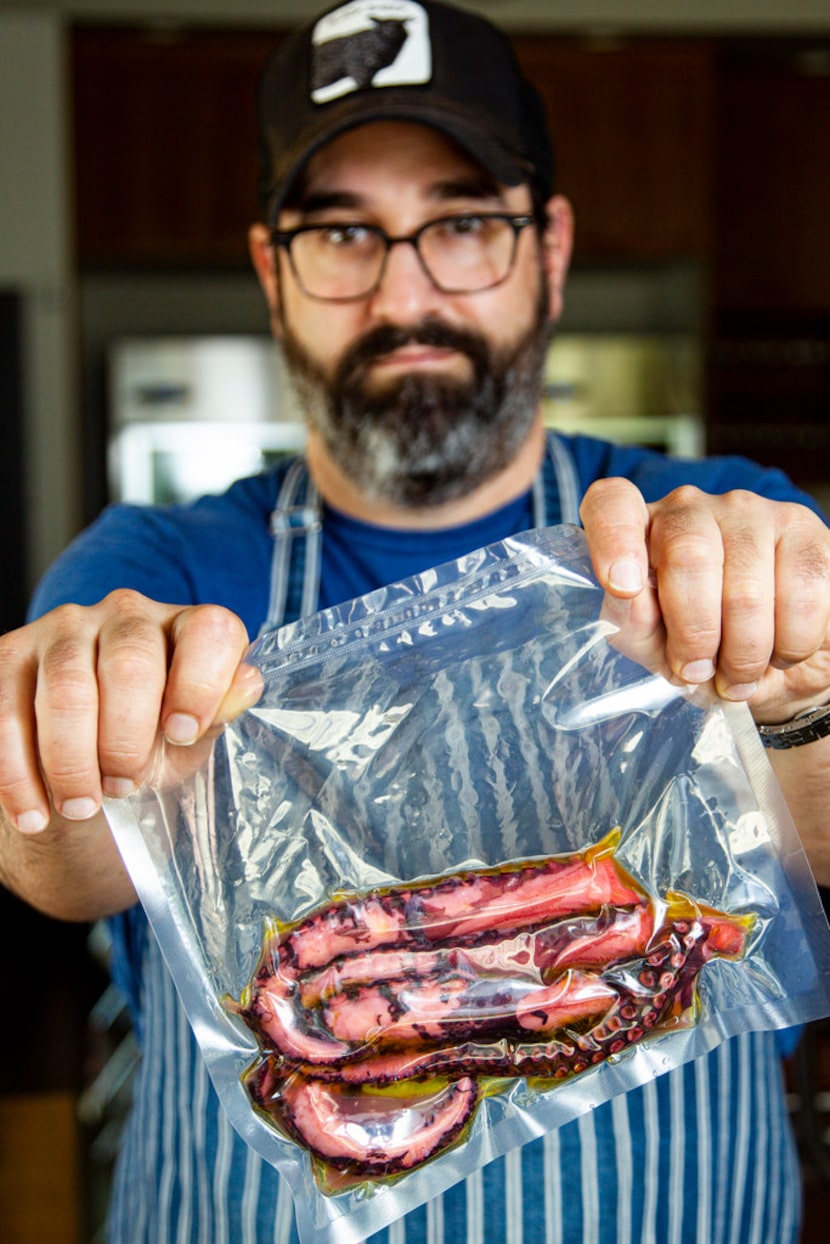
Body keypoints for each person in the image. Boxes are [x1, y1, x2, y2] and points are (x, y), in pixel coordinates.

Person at [1, 1, 829, 1240]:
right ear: (272, 271)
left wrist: (799, 687)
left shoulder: (718, 533)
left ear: (546, 249)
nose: (407, 290)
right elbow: (58, 870)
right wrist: (57, 723)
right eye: (342, 231)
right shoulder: (158, 561)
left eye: (461, 223)